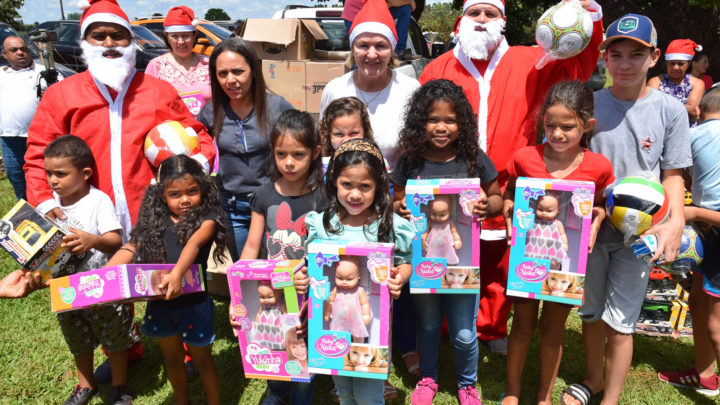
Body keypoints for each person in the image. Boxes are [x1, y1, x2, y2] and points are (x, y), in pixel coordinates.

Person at [418, 0, 605, 353]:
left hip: (508, 183)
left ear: (502, 22)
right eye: (475, 13)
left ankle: (491, 328)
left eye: (491, 14)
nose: (482, 20)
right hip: (452, 181)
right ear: (461, 20)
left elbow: (578, 63)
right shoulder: (438, 67)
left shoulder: (531, 59)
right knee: (448, 250)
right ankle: (448, 326)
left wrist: (590, 19)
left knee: (501, 261)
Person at [562, 15, 691, 405]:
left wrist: (674, 222)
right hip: (592, 225)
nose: (625, 64)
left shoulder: (671, 110)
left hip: (639, 235)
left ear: (653, 57)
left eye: (636, 55)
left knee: (621, 321)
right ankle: (594, 379)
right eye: (615, 54)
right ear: (603, 58)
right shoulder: (589, 104)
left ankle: (611, 399)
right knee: (589, 311)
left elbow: (673, 177)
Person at [25, 0, 215, 239]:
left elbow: (197, 135)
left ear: (131, 42)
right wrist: (42, 199)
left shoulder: (158, 91)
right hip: (85, 225)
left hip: (151, 220)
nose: (109, 43)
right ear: (84, 42)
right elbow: (38, 154)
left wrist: (194, 166)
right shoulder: (61, 95)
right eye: (99, 36)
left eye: (118, 35)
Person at [500, 80, 614, 405]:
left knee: (552, 330)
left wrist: (597, 221)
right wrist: (510, 210)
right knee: (521, 326)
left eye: (568, 127)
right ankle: (512, 390)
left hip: (565, 264)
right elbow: (511, 191)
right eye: (551, 125)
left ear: (587, 126)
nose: (558, 134)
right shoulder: (525, 158)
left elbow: (604, 202)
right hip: (526, 258)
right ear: (542, 122)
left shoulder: (598, 167)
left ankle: (544, 396)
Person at [391, 79, 501, 404]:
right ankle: (428, 378)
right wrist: (400, 206)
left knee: (465, 331)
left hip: (462, 264)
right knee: (427, 324)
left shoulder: (473, 159)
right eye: (433, 119)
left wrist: (486, 206)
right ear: (419, 122)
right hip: (423, 263)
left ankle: (468, 383)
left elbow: (495, 197)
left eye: (449, 120)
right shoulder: (410, 161)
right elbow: (397, 200)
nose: (441, 127)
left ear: (462, 122)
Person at [294, 138, 414, 404]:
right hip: (332, 328)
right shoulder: (322, 224)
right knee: (344, 390)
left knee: (368, 394)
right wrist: (302, 277)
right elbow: (310, 264)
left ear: (379, 186)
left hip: (373, 330)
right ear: (334, 182)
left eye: (365, 186)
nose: (355, 194)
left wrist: (400, 279)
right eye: (347, 185)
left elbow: (405, 262)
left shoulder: (389, 225)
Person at [106, 154, 227, 405]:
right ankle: (182, 400)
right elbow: (131, 247)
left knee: (202, 360)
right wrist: (104, 276)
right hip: (160, 303)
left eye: (191, 191)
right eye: (175, 194)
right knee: (172, 360)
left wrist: (177, 274)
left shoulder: (208, 217)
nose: (184, 199)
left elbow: (194, 243)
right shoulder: (154, 220)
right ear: (162, 194)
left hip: (194, 305)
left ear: (202, 188)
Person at [230, 109, 323, 405]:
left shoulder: (323, 196)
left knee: (302, 346)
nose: (289, 162)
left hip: (307, 293)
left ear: (315, 152)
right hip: (273, 291)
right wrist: (237, 295)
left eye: (298, 154)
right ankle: (276, 391)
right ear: (272, 151)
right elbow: (251, 246)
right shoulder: (264, 195)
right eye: (281, 154)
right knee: (272, 339)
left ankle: (300, 396)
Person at [43, 135, 137, 405]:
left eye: (60, 174)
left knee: (115, 337)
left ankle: (120, 385)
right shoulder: (50, 205)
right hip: (65, 290)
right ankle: (86, 384)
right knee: (77, 339)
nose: (52, 180)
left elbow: (115, 241)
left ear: (85, 174)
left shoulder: (98, 201)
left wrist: (92, 240)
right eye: (49, 173)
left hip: (101, 286)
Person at [197, 37, 294, 261]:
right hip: (232, 208)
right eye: (222, 74)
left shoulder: (277, 107)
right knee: (246, 275)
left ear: (253, 70)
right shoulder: (211, 112)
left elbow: (304, 147)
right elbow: (195, 147)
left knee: (281, 275)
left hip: (275, 204)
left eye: (238, 71)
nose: (231, 80)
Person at [657, 88, 720, 396]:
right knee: (697, 301)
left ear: (698, 112)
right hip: (708, 232)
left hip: (711, 228)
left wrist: (693, 211)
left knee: (715, 326)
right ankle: (705, 376)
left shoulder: (694, 135)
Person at [320, 0, 420, 169]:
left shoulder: (410, 89)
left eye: (381, 46)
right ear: (353, 49)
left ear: (392, 50)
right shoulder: (335, 89)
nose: (372, 54)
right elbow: (324, 145)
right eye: (363, 45)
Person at [0, 36, 62, 200]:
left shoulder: (47, 72)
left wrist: (50, 94)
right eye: (14, 50)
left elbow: (65, 99)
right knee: (18, 179)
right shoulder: (1, 75)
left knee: (48, 179)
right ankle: (28, 216)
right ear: (4, 54)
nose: (20, 52)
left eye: (23, 49)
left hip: (42, 138)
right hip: (10, 138)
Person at [145, 6, 211, 114]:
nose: (181, 42)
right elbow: (147, 103)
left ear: (195, 35)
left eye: (185, 36)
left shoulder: (208, 64)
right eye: (175, 36)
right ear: (167, 36)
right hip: (172, 128)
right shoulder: (156, 65)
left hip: (207, 128)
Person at [648, 39, 705, 125]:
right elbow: (650, 108)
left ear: (688, 64)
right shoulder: (655, 81)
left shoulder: (697, 83)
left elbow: (693, 112)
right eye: (672, 63)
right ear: (667, 62)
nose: (675, 67)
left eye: (680, 64)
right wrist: (683, 108)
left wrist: (663, 106)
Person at [325, 256, 372, 342]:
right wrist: (327, 312)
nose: (344, 282)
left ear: (359, 276)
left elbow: (365, 304)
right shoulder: (336, 290)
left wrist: (366, 315)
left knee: (358, 336)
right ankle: (339, 349)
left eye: (349, 279)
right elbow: (330, 301)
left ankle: (358, 346)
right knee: (338, 336)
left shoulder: (359, 291)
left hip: (355, 320)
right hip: (339, 320)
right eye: (340, 278)